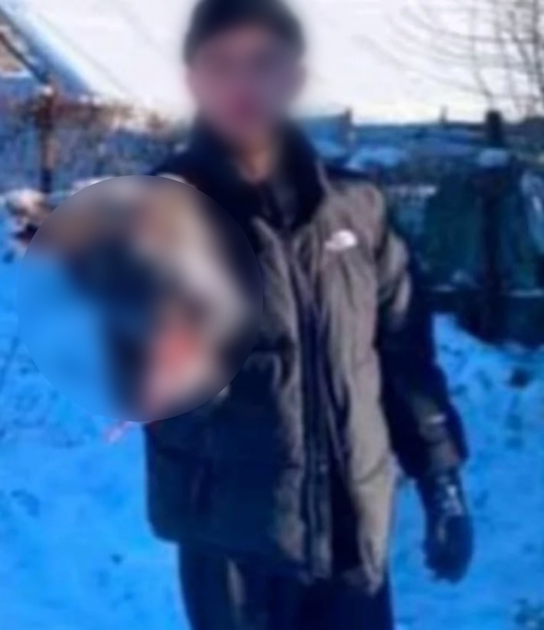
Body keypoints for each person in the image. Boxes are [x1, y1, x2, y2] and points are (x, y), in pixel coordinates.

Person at [141, 1, 474, 628]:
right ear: (195, 82)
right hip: (235, 542)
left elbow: (404, 354)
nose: (244, 85)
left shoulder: (358, 208)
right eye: (221, 65)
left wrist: (441, 479)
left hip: (353, 530)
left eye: (262, 63)